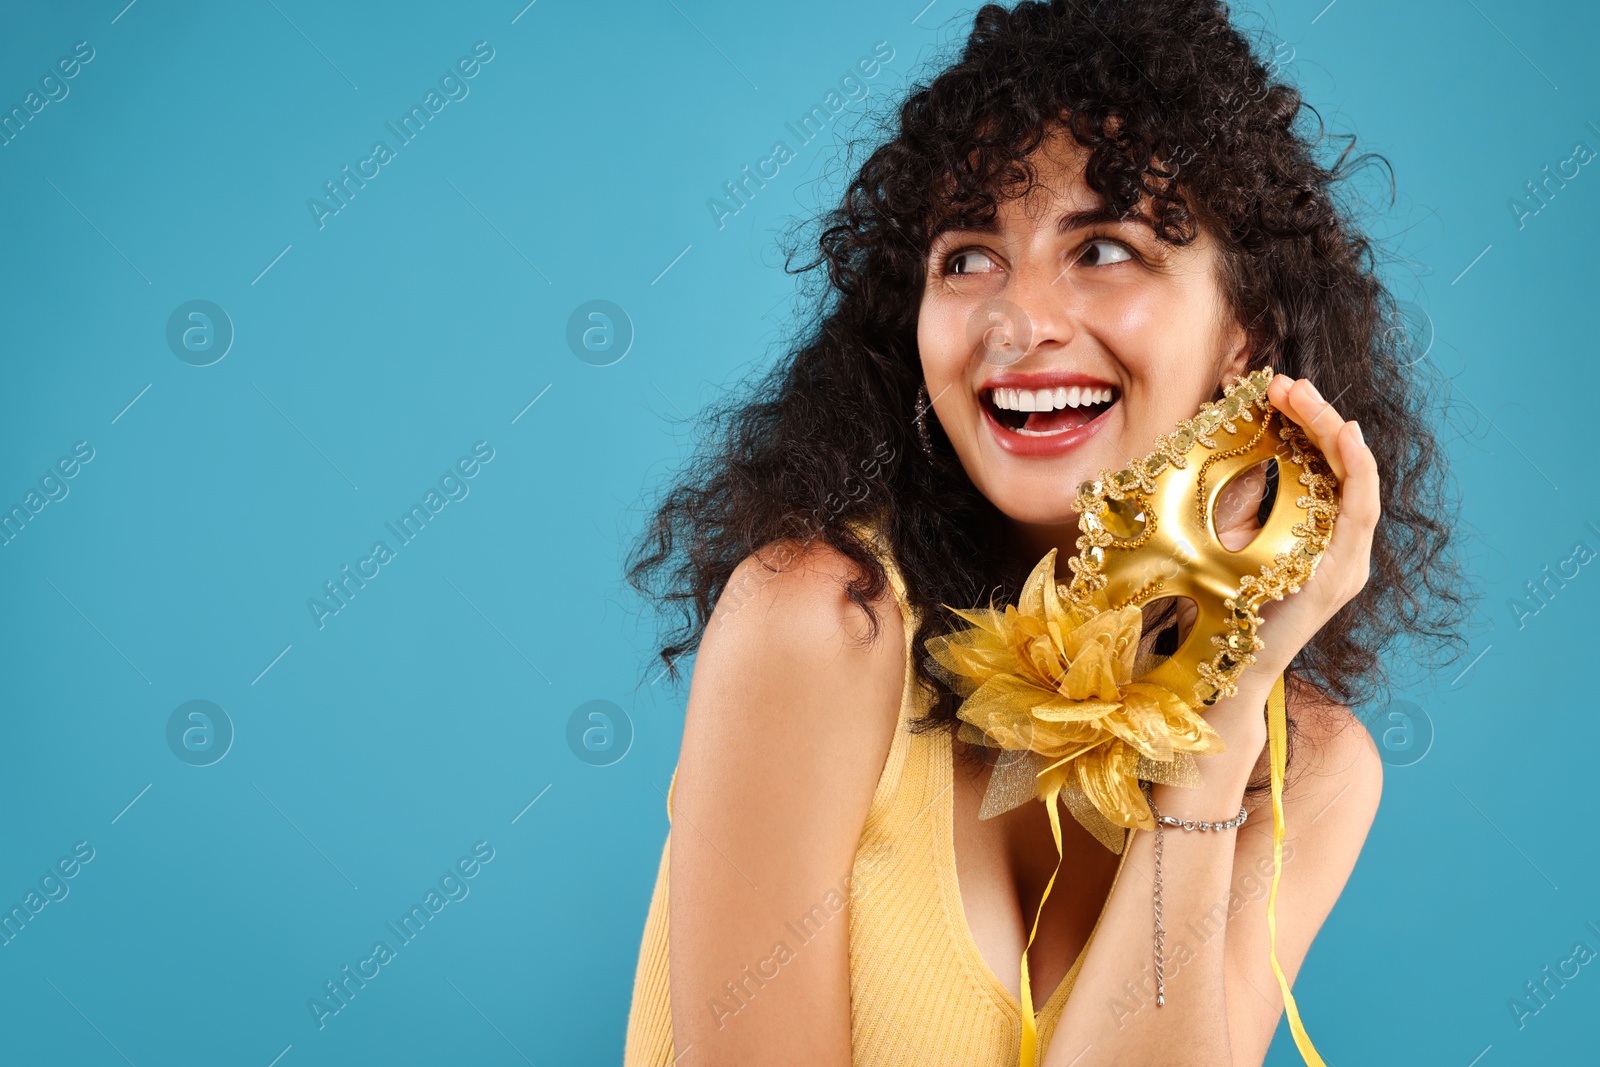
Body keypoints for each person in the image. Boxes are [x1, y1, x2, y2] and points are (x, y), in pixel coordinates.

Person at [623, 2, 1466, 1064]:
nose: (1019, 320)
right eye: (967, 257)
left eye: (1103, 247)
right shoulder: (814, 622)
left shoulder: (1312, 770)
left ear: (1239, 333)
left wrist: (1224, 707)